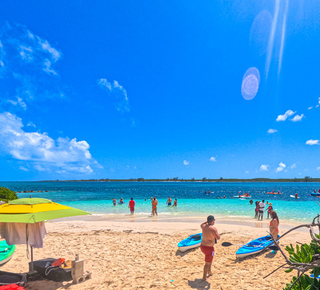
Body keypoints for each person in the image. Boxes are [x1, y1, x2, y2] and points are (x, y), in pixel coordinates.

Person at [200, 215, 220, 281]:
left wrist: (207, 222)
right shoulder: (213, 229)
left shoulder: (203, 226)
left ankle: (209, 271)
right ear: (213, 221)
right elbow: (218, 238)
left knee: (210, 259)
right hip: (209, 248)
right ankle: (204, 277)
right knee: (207, 263)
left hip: (202, 246)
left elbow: (202, 224)